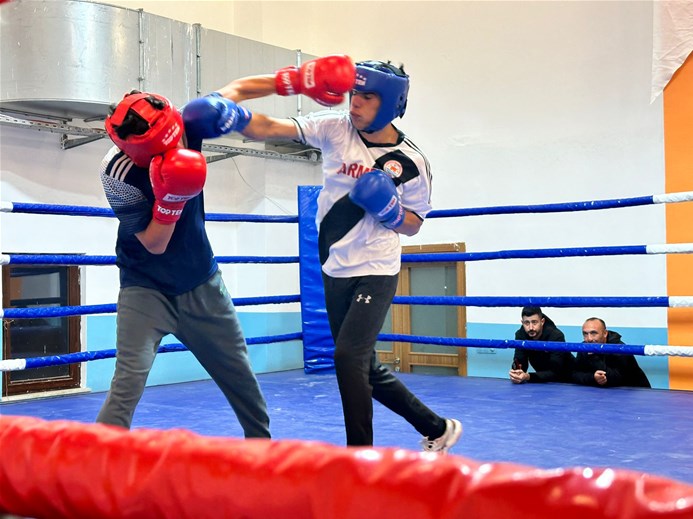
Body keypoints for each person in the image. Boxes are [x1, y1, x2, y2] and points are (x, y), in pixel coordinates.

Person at [199, 54, 462, 452]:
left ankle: (359, 458)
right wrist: (233, 118)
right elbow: (272, 127)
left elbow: (415, 223)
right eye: (354, 94)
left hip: (377, 266)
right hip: (335, 265)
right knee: (363, 366)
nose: (354, 103)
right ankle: (437, 427)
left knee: (347, 357)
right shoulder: (336, 129)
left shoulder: (412, 162)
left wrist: (390, 211)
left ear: (390, 104)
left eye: (367, 97)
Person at [96, 90, 271, 438]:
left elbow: (233, 92)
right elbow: (154, 243)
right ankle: (95, 464)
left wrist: (290, 81)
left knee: (239, 374)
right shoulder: (117, 172)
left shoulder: (185, 127)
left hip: (202, 282)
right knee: (128, 379)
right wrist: (170, 199)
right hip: (144, 286)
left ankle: (262, 452)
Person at [572, 317, 651, 388]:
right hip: (602, 394)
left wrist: (594, 356)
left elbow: (617, 379)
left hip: (634, 391)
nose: (589, 338)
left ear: (605, 333)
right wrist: (593, 377)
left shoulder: (619, 348)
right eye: (585, 334)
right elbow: (575, 374)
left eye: (593, 333)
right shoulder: (584, 346)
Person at [509, 306, 574, 384]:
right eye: (527, 323)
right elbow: (520, 361)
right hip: (544, 382)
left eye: (534, 322)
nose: (530, 328)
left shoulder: (556, 336)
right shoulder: (520, 335)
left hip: (570, 379)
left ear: (542, 321)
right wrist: (517, 373)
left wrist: (528, 376)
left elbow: (555, 371)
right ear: (522, 322)